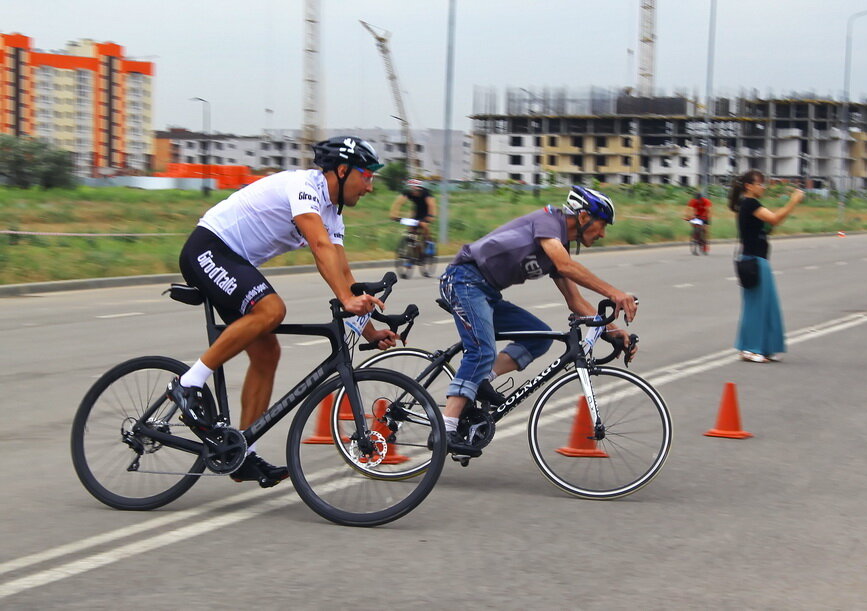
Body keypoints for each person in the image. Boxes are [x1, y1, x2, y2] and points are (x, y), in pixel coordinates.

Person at [168, 136, 399, 487]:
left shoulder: (332, 213)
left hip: (234, 261)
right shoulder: (304, 186)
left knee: (267, 354)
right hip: (209, 248)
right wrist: (347, 298)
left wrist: (368, 329)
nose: (370, 186)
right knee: (272, 309)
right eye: (366, 175)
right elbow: (319, 247)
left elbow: (343, 275)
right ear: (341, 170)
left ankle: (242, 452)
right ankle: (189, 382)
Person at [438, 186, 639, 457]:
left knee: (540, 337)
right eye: (602, 225)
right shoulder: (548, 222)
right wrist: (614, 293)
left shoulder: (559, 246)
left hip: (486, 292)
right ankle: (445, 429)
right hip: (463, 280)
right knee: (481, 351)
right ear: (582, 218)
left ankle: (480, 381)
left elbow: (577, 303)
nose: (603, 233)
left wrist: (614, 332)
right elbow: (566, 266)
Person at [729, 171, 804, 363]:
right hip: (754, 261)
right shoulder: (750, 203)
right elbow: (774, 219)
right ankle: (750, 349)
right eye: (760, 184)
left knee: (766, 307)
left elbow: (768, 225)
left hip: (758, 260)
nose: (763, 187)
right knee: (756, 307)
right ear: (749, 186)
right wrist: (793, 201)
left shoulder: (749, 205)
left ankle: (764, 348)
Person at [389, 179, 438, 274]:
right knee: (411, 231)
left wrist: (429, 218)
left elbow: (432, 206)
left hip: (427, 212)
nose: (413, 193)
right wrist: (394, 214)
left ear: (419, 190)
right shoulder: (408, 193)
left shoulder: (426, 194)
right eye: (412, 191)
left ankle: (429, 244)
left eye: (415, 191)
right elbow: (398, 203)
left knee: (424, 226)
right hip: (417, 212)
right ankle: (411, 254)